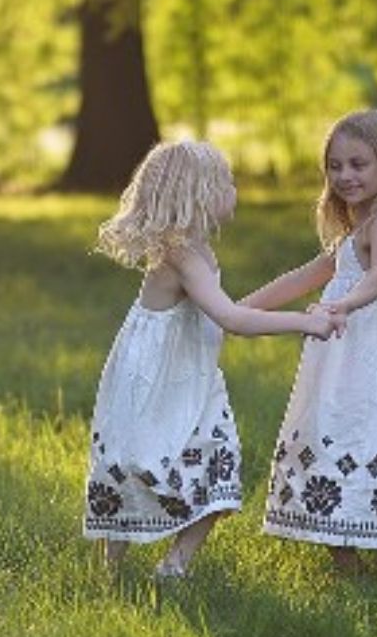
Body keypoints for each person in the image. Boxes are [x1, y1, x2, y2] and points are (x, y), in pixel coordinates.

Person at [82, 140, 341, 579]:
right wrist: (303, 322)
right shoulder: (182, 253)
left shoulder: (193, 249)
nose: (235, 190)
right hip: (161, 381)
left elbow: (226, 313)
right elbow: (232, 319)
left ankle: (164, 565)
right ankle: (125, 568)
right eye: (229, 182)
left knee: (211, 463)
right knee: (145, 465)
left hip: (184, 378)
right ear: (201, 192)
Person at [242, 109, 377, 573]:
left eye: (358, 164)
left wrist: (345, 304)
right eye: (335, 166)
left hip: (372, 357)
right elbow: (304, 276)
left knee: (365, 431)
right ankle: (352, 556)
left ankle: (373, 550)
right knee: (334, 431)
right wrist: (236, 309)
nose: (345, 175)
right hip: (342, 359)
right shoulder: (352, 233)